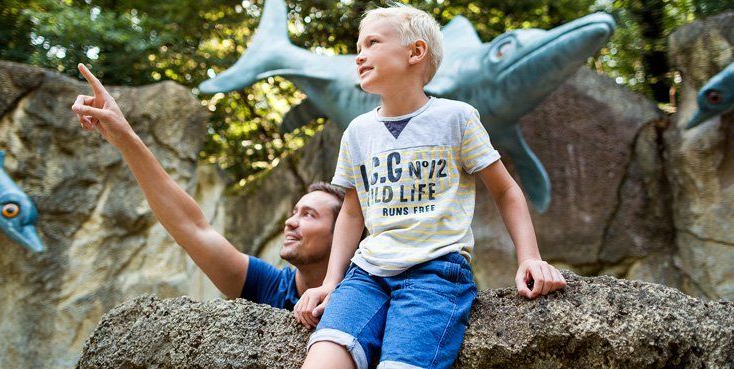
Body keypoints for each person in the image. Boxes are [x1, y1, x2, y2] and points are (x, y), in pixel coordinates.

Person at [293, 4, 567, 369]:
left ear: (415, 52)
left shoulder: (456, 118)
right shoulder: (357, 132)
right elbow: (352, 211)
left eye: (372, 42)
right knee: (323, 359)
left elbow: (505, 190)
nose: (360, 54)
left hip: (435, 273)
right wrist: (332, 281)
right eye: (359, 46)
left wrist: (530, 257)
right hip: (366, 275)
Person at [70, 63, 344, 310]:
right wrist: (125, 137)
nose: (290, 222)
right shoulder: (269, 286)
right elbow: (191, 227)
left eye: (308, 215)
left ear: (343, 233)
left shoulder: (362, 295)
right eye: (295, 212)